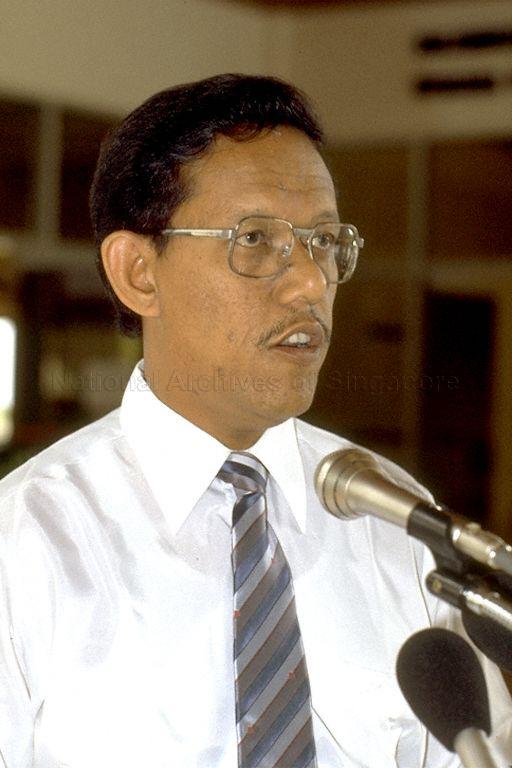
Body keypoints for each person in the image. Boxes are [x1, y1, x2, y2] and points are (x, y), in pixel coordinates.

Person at [0, 73, 510, 768]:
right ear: (138, 273)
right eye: (257, 240)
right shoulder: (26, 541)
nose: (311, 282)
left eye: (325, 241)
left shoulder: (393, 518)